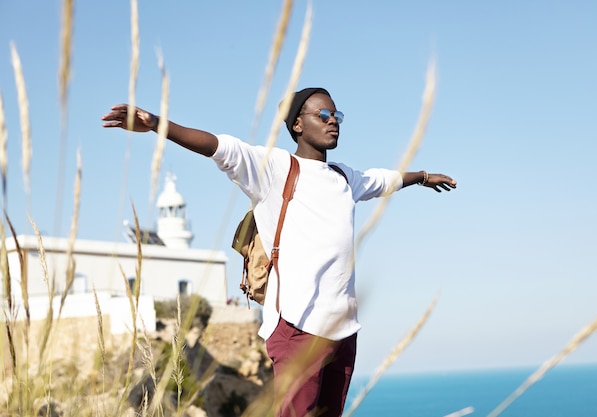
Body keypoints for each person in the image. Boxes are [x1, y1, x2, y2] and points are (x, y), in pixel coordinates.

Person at [102, 87, 456, 417]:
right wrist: (154, 124)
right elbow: (218, 146)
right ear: (298, 124)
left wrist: (423, 176)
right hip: (297, 326)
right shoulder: (274, 168)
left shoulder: (345, 177)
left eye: (337, 116)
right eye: (324, 114)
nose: (333, 121)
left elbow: (384, 180)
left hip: (344, 329)